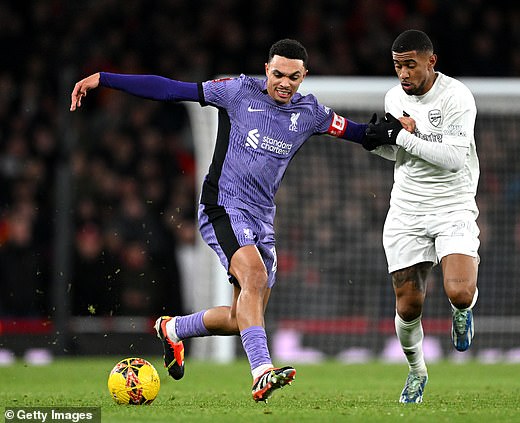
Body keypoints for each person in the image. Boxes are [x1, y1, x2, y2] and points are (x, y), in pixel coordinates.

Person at [70, 39, 372, 402]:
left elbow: (358, 133)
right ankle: (262, 372)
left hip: (262, 216)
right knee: (255, 277)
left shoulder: (311, 113)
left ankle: (173, 328)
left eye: (293, 77)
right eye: (277, 74)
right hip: (223, 206)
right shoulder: (236, 91)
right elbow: (170, 90)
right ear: (266, 69)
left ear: (303, 76)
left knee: (240, 316)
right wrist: (105, 78)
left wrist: (396, 132)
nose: (284, 83)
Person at [364, 30, 480, 404]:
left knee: (459, 292)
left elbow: (453, 159)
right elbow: (400, 153)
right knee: (408, 305)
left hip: (453, 206)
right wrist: (378, 143)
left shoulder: (456, 96)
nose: (403, 74)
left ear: (431, 61)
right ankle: (417, 373)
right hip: (407, 209)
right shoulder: (394, 97)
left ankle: (463, 312)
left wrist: (400, 137)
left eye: (410, 65)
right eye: (397, 66)